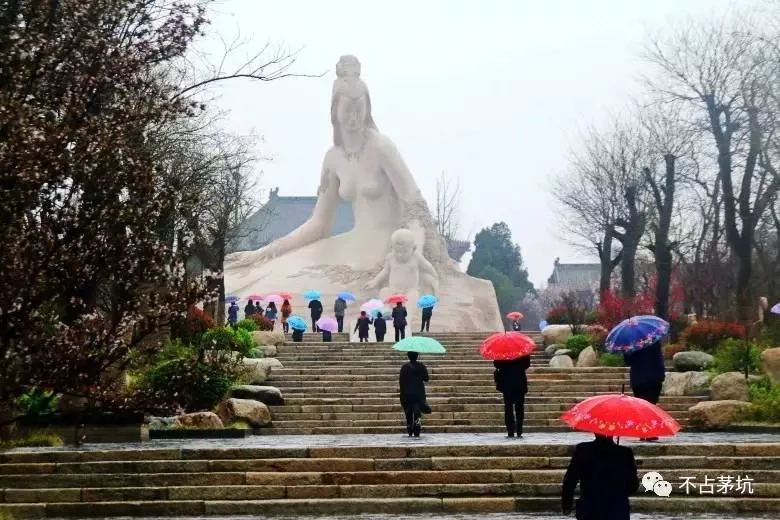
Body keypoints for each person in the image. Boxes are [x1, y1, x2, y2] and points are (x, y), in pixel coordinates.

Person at [561, 434, 639, 520]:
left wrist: (566, 504)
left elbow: (570, 480)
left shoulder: (583, 450)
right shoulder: (625, 453)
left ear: (595, 432)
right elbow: (633, 485)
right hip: (617, 509)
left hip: (589, 508)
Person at [623, 340, 665, 441]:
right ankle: (651, 432)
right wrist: (661, 375)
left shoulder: (631, 343)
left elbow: (628, 361)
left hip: (638, 379)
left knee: (641, 406)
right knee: (651, 405)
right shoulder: (654, 341)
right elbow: (659, 359)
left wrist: (626, 350)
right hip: (653, 378)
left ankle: (643, 431)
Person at [493, 355, 531, 438]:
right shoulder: (522, 352)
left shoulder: (502, 352)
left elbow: (496, 364)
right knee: (519, 407)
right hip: (519, 381)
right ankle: (519, 430)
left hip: (506, 382)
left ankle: (510, 430)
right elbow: (527, 364)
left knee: (508, 407)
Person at [399, 351, 429, 437]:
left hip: (407, 394)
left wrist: (402, 394)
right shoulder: (421, 366)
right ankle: (417, 427)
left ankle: (409, 427)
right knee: (418, 413)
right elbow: (426, 378)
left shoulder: (404, 367)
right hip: (418, 394)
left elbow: (401, 381)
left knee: (408, 413)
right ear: (417, 356)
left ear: (408, 356)